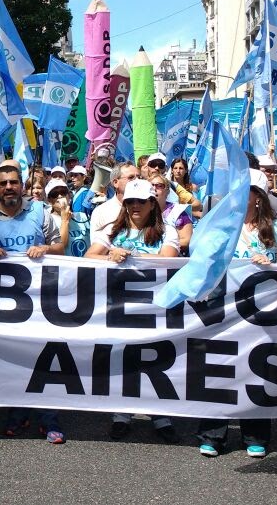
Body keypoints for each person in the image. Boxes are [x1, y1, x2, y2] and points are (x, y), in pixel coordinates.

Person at [196, 171, 277, 459]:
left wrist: (271, 268)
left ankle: (256, 434)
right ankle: (213, 435)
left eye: (247, 190)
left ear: (259, 197)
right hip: (223, 313)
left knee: (257, 371)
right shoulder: (219, 227)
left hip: (262, 316)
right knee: (220, 371)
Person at [0, 161, 64, 444]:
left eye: (14, 182)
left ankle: (50, 419)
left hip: (40, 303)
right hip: (0, 305)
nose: (9, 187)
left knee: (43, 361)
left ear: (21, 184)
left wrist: (46, 248)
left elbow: (60, 247)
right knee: (13, 361)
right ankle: (17, 411)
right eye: (3, 183)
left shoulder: (40, 212)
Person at [84, 179, 180, 442]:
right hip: (120, 308)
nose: (135, 206)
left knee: (156, 361)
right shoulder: (112, 233)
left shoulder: (167, 230)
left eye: (140, 201)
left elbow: (170, 260)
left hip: (155, 308)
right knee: (122, 360)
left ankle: (160, 415)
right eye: (130, 201)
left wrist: (133, 259)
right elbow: (89, 257)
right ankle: (121, 415)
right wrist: (109, 256)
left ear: (152, 203)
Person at [89, 162, 140, 242]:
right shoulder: (101, 211)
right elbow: (95, 247)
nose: (137, 181)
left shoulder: (148, 208)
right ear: (116, 182)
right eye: (131, 177)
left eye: (139, 177)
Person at [148, 173, 192, 252]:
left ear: (167, 191)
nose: (154, 188)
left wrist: (162, 248)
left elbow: (186, 240)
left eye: (159, 186)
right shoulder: (142, 211)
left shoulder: (177, 212)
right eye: (151, 186)